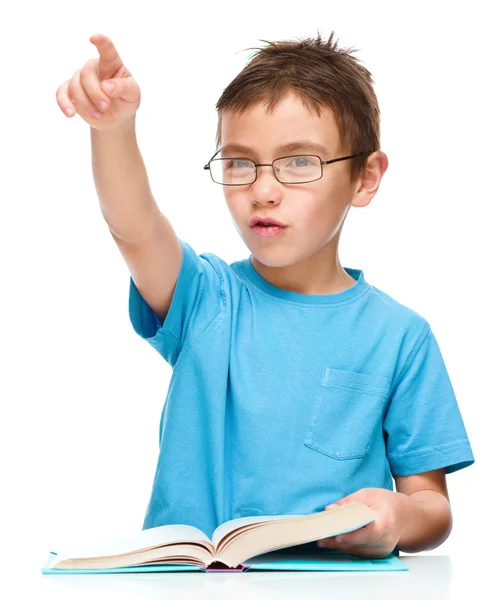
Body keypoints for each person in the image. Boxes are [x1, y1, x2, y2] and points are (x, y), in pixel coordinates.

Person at [55, 31, 474, 560]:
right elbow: (135, 227)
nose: (263, 189)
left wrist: (398, 517)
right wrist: (113, 129)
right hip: (191, 588)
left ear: (365, 179)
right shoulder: (205, 299)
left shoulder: (401, 336)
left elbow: (432, 507)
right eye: (239, 163)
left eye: (300, 162)